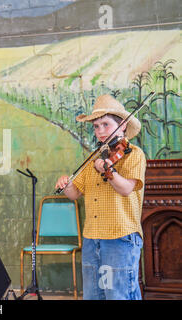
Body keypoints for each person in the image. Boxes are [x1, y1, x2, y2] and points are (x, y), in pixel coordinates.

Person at [55, 94, 146, 300]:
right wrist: (66, 184)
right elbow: (74, 193)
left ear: (122, 125)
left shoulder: (134, 154)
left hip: (119, 236)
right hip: (92, 237)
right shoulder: (94, 158)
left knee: (119, 295)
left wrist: (109, 171)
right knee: (93, 295)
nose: (100, 131)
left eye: (105, 124)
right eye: (96, 126)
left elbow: (125, 188)